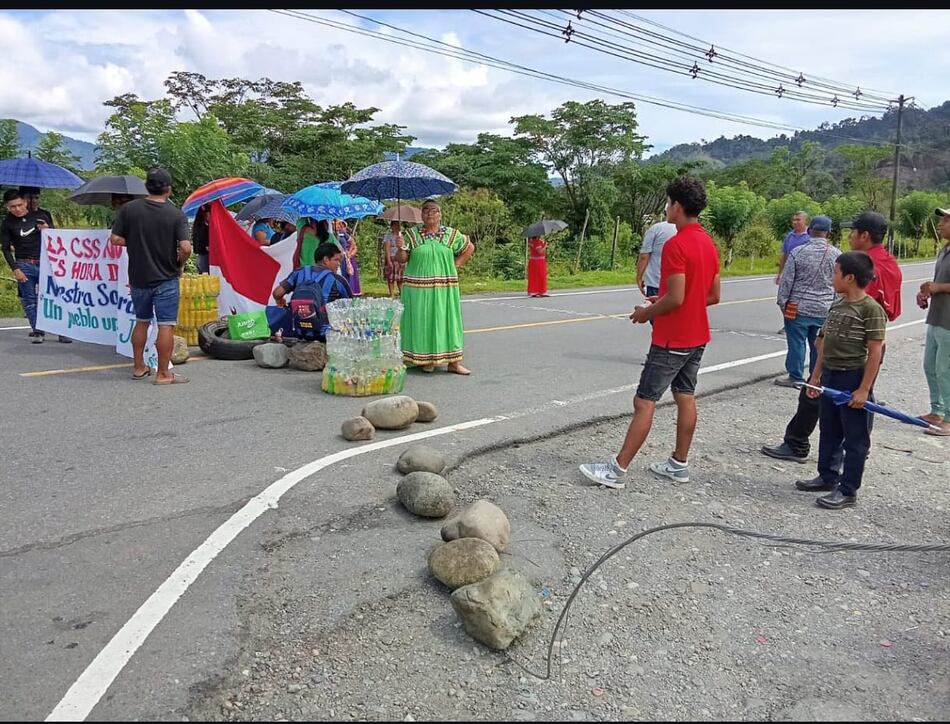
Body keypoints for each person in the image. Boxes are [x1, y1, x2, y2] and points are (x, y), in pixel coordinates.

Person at [579, 175, 720, 488]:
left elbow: (676, 298)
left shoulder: (676, 245)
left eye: (668, 203)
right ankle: (678, 464)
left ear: (677, 206)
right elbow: (711, 295)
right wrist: (664, 300)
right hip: (697, 336)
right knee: (685, 396)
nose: (666, 208)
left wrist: (647, 312)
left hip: (672, 338)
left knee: (644, 401)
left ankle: (616, 470)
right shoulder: (708, 243)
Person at [762, 211, 902, 462]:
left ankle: (801, 444)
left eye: (853, 232)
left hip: (848, 346)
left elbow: (849, 306)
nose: (849, 236)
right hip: (870, 344)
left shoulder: (863, 267)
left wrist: (826, 334)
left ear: (864, 235)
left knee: (818, 390)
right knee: (858, 396)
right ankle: (852, 451)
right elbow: (893, 309)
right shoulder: (890, 263)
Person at [795, 252, 887, 510]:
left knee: (855, 438)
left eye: (835, 272)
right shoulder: (837, 305)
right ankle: (827, 476)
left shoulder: (871, 310)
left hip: (853, 377)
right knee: (829, 429)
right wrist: (815, 377)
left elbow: (875, 352)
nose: (832, 277)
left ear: (850, 278)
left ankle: (847, 490)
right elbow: (823, 343)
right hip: (831, 375)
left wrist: (864, 389)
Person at [109, 166, 191, 385]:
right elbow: (186, 247)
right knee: (165, 325)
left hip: (138, 277)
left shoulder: (129, 210)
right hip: (166, 277)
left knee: (141, 321)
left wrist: (135, 241)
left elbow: (115, 239)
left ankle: (138, 367)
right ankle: (163, 373)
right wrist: (180, 264)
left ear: (146, 187)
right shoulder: (176, 214)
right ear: (168, 189)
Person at [395, 198, 475, 375]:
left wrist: (457, 264)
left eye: (434, 210)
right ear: (421, 215)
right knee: (422, 321)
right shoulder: (411, 235)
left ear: (440, 215)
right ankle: (426, 360)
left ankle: (454, 363)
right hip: (417, 288)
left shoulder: (451, 235)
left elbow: (469, 247)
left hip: (444, 287)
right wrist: (400, 248)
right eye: (426, 210)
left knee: (448, 321)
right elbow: (401, 259)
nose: (430, 213)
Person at [774, 215, 841, 387]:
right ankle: (815, 378)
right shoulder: (837, 255)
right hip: (825, 308)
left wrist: (782, 303)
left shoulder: (798, 252)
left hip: (797, 308)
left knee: (796, 343)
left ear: (810, 230)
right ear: (829, 233)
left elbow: (787, 281)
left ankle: (795, 376)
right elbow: (839, 284)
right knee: (818, 344)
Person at [1, 189, 71, 344]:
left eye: (20, 205)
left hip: (46, 263)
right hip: (23, 263)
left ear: (25, 202)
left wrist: (47, 230)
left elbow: (56, 239)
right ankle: (38, 331)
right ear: (7, 207)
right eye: (13, 207)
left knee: (55, 296)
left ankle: (62, 330)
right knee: (29, 299)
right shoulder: (7, 223)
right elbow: (5, 248)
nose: (17, 209)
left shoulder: (41, 216)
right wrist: (15, 269)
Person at [271, 242, 353, 341]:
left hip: (299, 331)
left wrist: (280, 300)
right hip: (325, 335)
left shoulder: (298, 273)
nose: (339, 264)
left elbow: (277, 293)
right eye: (336, 260)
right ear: (326, 260)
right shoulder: (337, 280)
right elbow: (352, 307)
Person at [916, 207, 950, 436]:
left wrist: (937, 287)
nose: (940, 223)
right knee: (931, 366)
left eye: (946, 220)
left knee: (945, 369)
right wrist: (926, 293)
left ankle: (949, 417)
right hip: (937, 316)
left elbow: (941, 285)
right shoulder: (944, 250)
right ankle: (937, 411)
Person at [637, 218, 677, 298]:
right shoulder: (684, 230)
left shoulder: (656, 228)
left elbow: (644, 256)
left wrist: (639, 277)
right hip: (677, 283)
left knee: (654, 305)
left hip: (655, 282)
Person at [775, 211, 811, 283]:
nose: (795, 222)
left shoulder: (811, 236)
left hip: (806, 274)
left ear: (806, 221)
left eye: (798, 220)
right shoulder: (789, 236)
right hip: (790, 273)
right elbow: (784, 256)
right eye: (794, 220)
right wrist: (780, 274)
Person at [334, 219, 362, 296]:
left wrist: (349, 253)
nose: (338, 226)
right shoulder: (331, 234)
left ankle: (346, 291)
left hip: (343, 258)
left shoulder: (343, 233)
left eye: (339, 224)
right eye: (336, 224)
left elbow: (352, 243)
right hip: (334, 257)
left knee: (345, 274)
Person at [382, 219, 406, 298]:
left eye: (398, 225)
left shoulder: (401, 235)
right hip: (392, 258)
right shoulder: (388, 236)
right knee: (391, 277)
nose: (396, 227)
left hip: (399, 259)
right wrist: (389, 261)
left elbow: (404, 247)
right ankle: (392, 294)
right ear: (391, 226)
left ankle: (402, 293)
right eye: (395, 225)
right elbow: (387, 249)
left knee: (400, 278)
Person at [192, 203, 211, 274]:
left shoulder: (199, 224)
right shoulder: (202, 226)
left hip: (202, 254)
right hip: (204, 254)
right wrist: (207, 246)